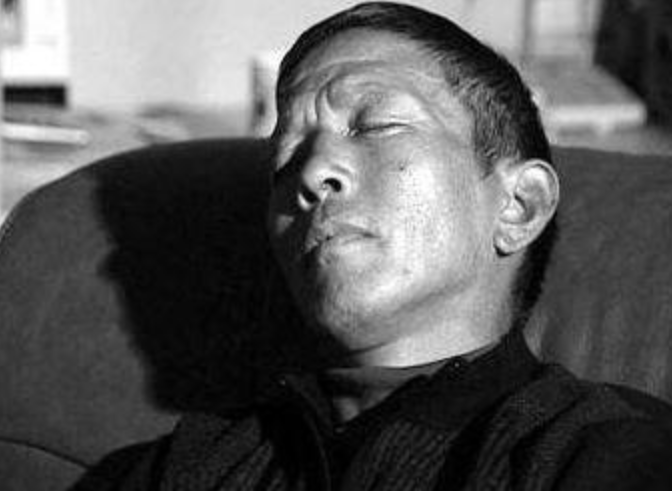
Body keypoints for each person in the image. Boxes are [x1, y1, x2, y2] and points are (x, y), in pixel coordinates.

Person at [75, 2, 672, 490]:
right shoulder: (186, 466)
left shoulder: (608, 454)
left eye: (376, 125)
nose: (312, 173)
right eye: (285, 160)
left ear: (520, 205)